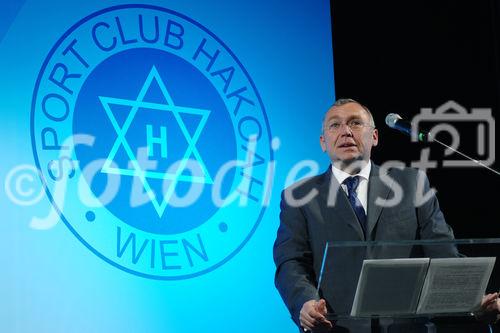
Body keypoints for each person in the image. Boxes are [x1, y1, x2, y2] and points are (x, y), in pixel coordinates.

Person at [273, 99, 499, 332]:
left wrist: (474, 298)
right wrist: (305, 302)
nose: (346, 131)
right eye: (335, 125)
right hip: (337, 327)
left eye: (355, 123)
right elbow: (291, 262)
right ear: (323, 142)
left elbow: (443, 251)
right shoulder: (299, 196)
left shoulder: (411, 184)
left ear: (375, 137)